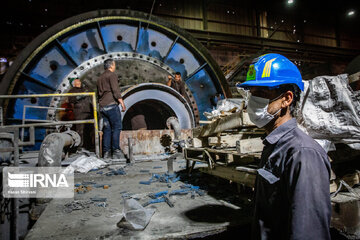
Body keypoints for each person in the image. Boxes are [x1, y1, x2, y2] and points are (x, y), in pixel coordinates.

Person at [238, 53, 331, 240]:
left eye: (262, 93)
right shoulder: (274, 144)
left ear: (286, 99)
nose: (252, 102)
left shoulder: (303, 154)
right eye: (252, 93)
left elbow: (308, 233)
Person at [97, 59, 126, 159]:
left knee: (107, 130)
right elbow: (115, 90)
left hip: (102, 107)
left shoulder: (100, 78)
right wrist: (122, 102)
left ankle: (106, 153)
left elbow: (98, 93)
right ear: (111, 66)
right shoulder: (112, 75)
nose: (115, 66)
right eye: (114, 65)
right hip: (111, 105)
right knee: (117, 127)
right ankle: (116, 151)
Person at [67, 78, 93, 151]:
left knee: (88, 130)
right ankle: (80, 147)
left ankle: (88, 146)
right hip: (80, 112)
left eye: (79, 81)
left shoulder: (84, 89)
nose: (79, 82)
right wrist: (79, 96)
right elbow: (71, 100)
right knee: (80, 130)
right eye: (77, 81)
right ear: (74, 83)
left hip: (88, 112)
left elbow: (91, 92)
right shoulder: (72, 91)